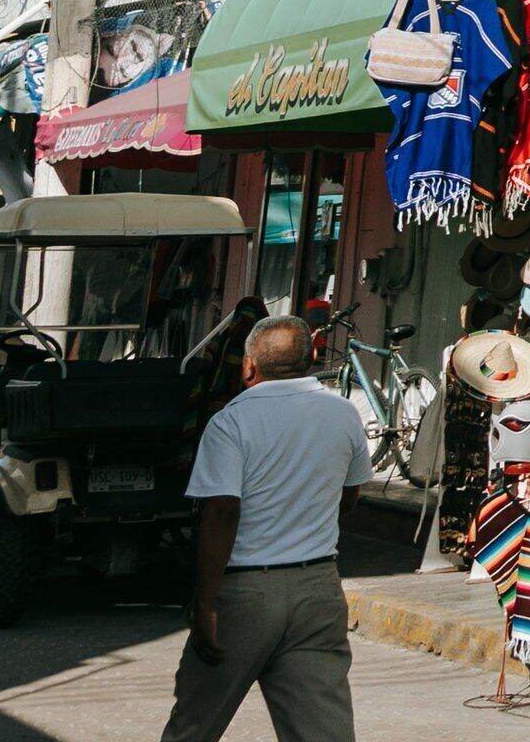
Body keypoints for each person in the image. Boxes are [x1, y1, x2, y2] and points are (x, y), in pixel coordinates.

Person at [166, 315, 368, 742]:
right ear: (312, 358)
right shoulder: (344, 412)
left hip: (246, 593)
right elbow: (349, 497)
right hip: (318, 588)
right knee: (322, 731)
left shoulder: (231, 422)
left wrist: (205, 605)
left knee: (195, 726)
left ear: (247, 366)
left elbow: (221, 513)